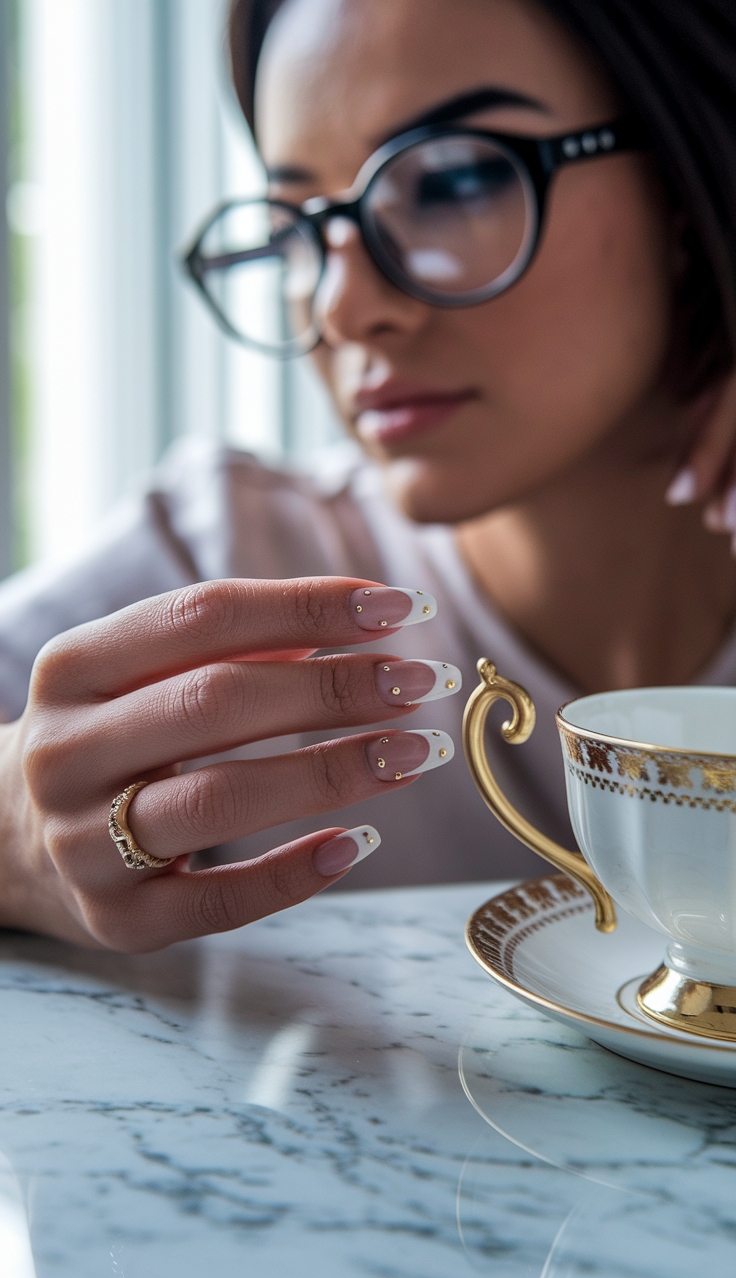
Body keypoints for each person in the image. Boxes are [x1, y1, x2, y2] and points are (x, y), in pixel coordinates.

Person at [0, 0, 734, 951]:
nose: (345, 307)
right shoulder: (225, 567)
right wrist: (15, 835)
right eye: (300, 226)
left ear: (689, 175)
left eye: (453, 181)